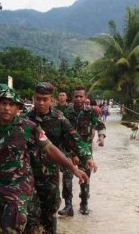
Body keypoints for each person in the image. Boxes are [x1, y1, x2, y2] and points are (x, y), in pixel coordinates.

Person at [0, 88, 88, 234]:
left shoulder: (30, 127)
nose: (6, 107)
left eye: (11, 104)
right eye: (3, 103)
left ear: (18, 107)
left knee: (11, 230)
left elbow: (50, 149)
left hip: (21, 190)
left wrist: (73, 168)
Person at [24, 82, 97, 234]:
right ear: (33, 98)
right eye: (38, 99)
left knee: (49, 215)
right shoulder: (24, 120)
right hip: (27, 176)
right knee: (30, 217)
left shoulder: (59, 118)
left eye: (45, 99)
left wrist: (88, 156)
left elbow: (75, 140)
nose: (41, 102)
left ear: (52, 100)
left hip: (50, 175)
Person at [59, 86, 106, 215]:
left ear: (85, 98)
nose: (78, 99)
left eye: (81, 96)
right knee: (67, 178)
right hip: (68, 150)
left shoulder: (91, 112)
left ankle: (84, 203)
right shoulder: (66, 112)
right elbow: (62, 133)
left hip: (85, 152)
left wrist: (101, 137)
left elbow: (100, 125)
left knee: (85, 178)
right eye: (76, 96)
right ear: (72, 97)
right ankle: (68, 205)